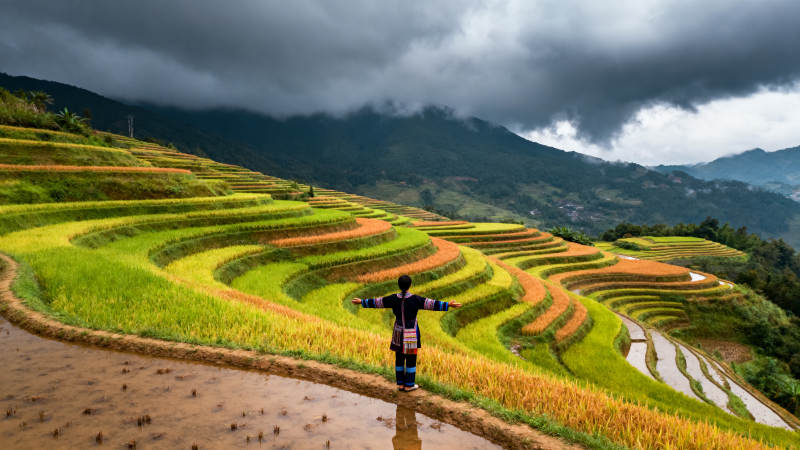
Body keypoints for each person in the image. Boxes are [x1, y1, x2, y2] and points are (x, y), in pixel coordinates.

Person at [352, 274, 461, 392]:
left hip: (398, 331)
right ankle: (409, 385)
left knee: (399, 357)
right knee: (410, 358)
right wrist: (448, 304)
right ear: (410, 285)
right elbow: (430, 304)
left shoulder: (393, 298)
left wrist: (362, 302)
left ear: (399, 285)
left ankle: (400, 384)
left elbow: (378, 302)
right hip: (410, 332)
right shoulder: (415, 299)